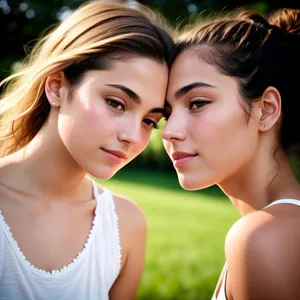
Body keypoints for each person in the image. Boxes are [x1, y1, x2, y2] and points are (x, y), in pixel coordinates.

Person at [0, 1, 175, 299]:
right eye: (116, 103)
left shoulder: (126, 226)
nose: (133, 136)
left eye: (150, 121)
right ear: (56, 87)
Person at [162, 7, 300, 300]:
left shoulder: (263, 239)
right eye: (166, 113)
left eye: (197, 103)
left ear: (267, 110)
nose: (168, 131)